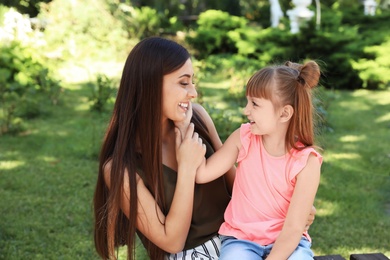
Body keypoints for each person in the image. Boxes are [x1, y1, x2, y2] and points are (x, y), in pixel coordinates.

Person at [93, 36, 316, 260]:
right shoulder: (120, 170)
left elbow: (235, 181)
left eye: (193, 82)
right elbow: (172, 242)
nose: (193, 93)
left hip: (241, 238)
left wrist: (290, 205)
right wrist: (187, 169)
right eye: (183, 83)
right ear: (149, 84)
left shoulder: (197, 116)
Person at [194, 60, 323, 259]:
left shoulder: (307, 162)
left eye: (255, 104)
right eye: (247, 102)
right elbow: (203, 174)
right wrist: (185, 141)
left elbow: (294, 228)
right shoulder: (243, 138)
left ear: (284, 113)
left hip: (289, 242)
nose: (246, 110)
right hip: (241, 240)